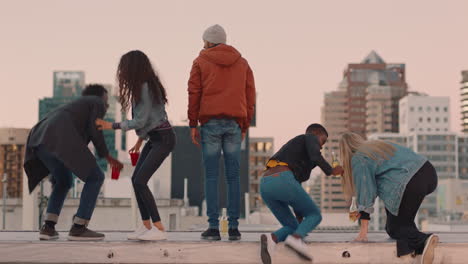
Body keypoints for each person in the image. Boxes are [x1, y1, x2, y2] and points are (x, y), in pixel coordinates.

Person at [24, 84, 123, 241]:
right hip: (61, 139)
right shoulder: (95, 102)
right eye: (106, 99)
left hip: (39, 140)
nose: (107, 104)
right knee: (96, 177)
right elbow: (95, 129)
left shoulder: (73, 108)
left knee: (63, 181)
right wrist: (107, 156)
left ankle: (48, 227)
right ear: (98, 97)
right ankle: (79, 227)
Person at [96, 50, 175, 241]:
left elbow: (140, 121)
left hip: (163, 139)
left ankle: (158, 228)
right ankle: (146, 225)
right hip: (154, 138)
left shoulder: (146, 87)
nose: (121, 73)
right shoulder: (143, 87)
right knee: (135, 180)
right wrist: (140, 141)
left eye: (124, 68)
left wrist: (111, 125)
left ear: (132, 68)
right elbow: (154, 117)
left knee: (140, 181)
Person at [187, 24, 256, 241]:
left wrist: (192, 124)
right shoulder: (242, 63)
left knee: (211, 176)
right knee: (234, 177)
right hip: (234, 124)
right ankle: (234, 228)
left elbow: (194, 93)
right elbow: (250, 95)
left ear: (208, 41)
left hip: (210, 124)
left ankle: (213, 228)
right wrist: (244, 125)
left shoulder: (200, 62)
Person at [339, 132, 439, 264]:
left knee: (397, 228)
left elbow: (366, 192)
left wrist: (363, 232)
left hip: (410, 181)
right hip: (428, 173)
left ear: (344, 152)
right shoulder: (378, 146)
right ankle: (423, 248)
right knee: (395, 226)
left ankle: (425, 239)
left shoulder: (359, 158)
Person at [259, 124, 344, 263]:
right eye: (322, 141)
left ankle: (271, 239)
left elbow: (295, 185)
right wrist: (331, 171)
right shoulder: (309, 137)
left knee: (293, 227)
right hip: (282, 179)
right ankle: (296, 241)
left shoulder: (298, 154)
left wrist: (299, 219)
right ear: (316, 133)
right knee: (315, 215)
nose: (321, 146)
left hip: (265, 185)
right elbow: (316, 156)